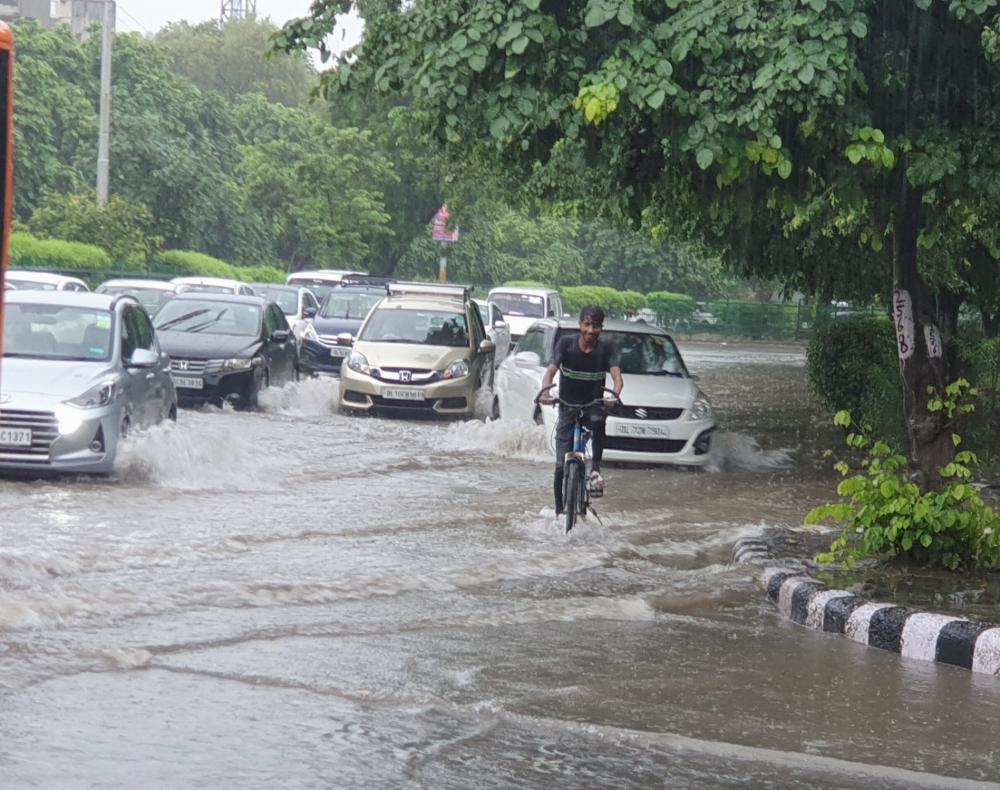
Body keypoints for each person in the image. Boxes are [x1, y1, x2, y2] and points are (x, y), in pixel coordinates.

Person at [539, 305, 624, 514]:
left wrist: (614, 395)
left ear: (601, 329)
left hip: (593, 405)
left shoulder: (606, 349)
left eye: (595, 326)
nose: (590, 330)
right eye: (587, 324)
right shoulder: (565, 344)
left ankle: (595, 470)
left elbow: (617, 377)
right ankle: (559, 511)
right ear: (580, 325)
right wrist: (546, 392)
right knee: (560, 465)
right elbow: (550, 372)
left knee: (598, 422)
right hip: (567, 407)